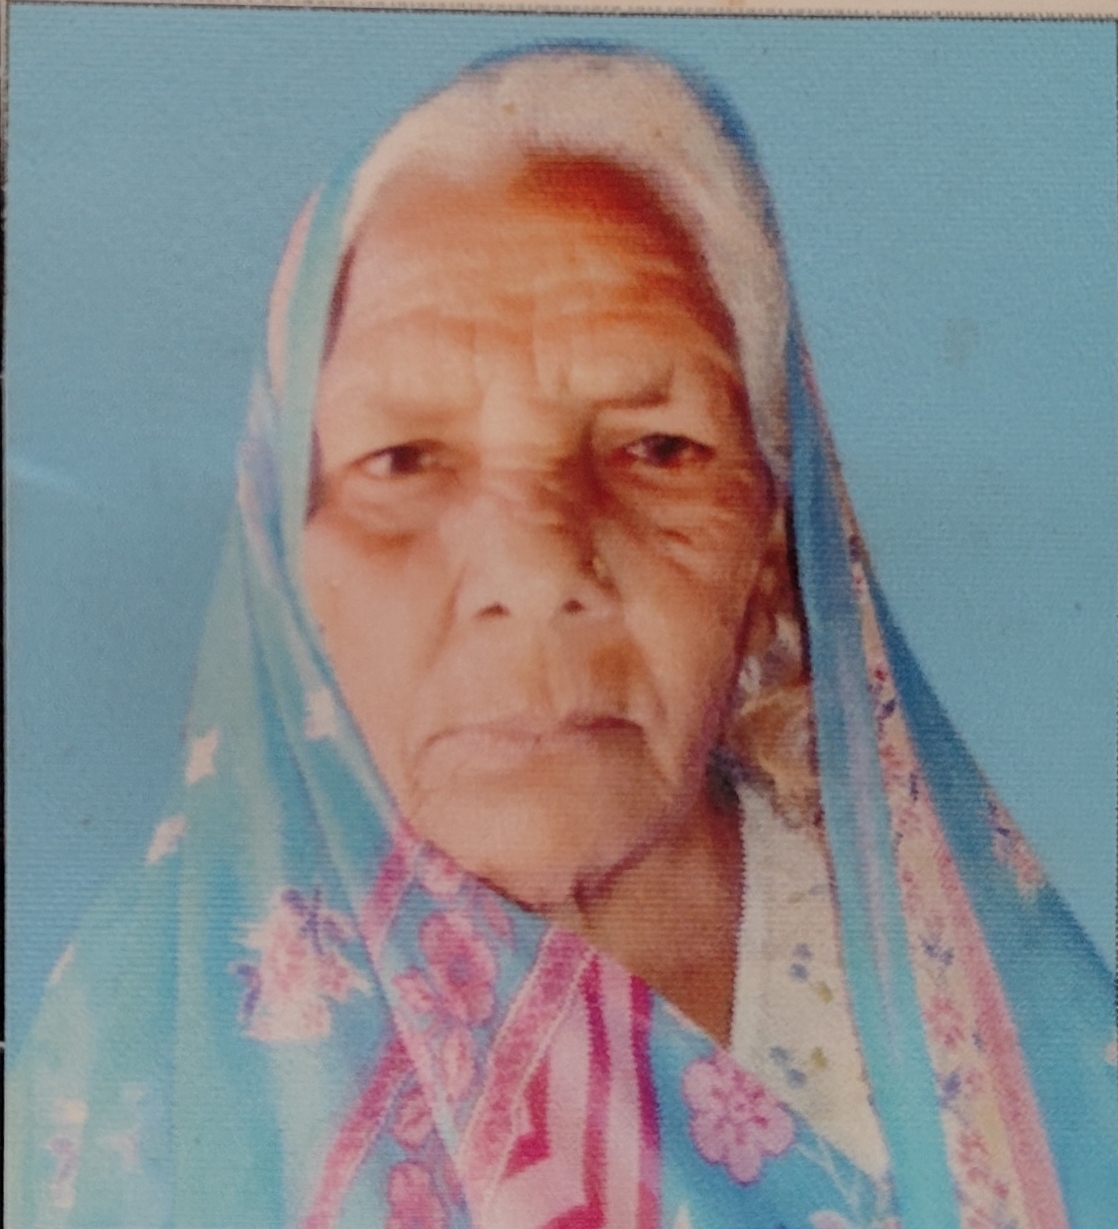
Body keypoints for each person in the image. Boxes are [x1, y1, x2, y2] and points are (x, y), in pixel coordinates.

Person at [7, 48, 1115, 1229]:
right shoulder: (145, 1047)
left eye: (658, 448)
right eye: (403, 460)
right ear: (283, 562)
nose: (536, 571)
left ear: (770, 546)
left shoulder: (985, 1020)